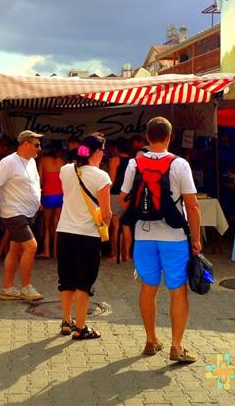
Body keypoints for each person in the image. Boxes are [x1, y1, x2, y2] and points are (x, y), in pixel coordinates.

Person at [119, 117, 201, 362]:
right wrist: (196, 239)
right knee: (177, 291)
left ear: (147, 137)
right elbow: (192, 205)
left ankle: (151, 340)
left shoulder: (134, 163)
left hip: (143, 236)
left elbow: (124, 199)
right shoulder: (180, 164)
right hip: (174, 237)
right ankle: (177, 347)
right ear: (169, 137)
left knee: (148, 288)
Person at [56, 134, 111, 340]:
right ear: (97, 152)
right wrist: (105, 227)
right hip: (87, 235)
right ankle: (80, 327)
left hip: (64, 231)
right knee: (83, 283)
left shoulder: (65, 170)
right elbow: (106, 213)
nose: (104, 154)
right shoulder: (101, 177)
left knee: (66, 280)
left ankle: (65, 321)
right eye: (103, 150)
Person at [0, 130, 45, 302]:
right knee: (31, 247)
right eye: (36, 145)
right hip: (13, 212)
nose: (39, 148)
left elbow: (32, 183)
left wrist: (37, 200)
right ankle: (26, 287)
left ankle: (7, 288)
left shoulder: (31, 161)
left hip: (27, 212)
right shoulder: (8, 162)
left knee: (15, 249)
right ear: (25, 144)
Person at [37, 144, 65, 259]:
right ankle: (55, 252)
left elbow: (39, 179)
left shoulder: (43, 161)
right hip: (61, 195)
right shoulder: (63, 162)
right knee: (57, 224)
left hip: (48, 194)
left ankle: (47, 251)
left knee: (47, 225)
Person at [107, 138, 131, 262]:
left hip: (116, 194)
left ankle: (115, 255)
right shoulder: (133, 161)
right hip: (129, 195)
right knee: (126, 225)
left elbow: (111, 179)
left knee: (115, 225)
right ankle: (126, 255)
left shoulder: (116, 160)